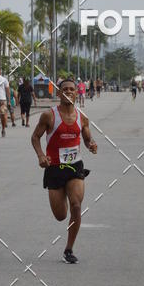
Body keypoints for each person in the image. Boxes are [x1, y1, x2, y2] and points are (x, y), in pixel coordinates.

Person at [31, 78, 98, 263]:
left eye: (72, 89)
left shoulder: (82, 117)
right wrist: (40, 156)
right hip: (54, 168)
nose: (68, 92)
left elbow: (87, 139)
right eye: (65, 89)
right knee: (61, 215)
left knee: (76, 206)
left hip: (75, 166)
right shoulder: (49, 116)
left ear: (77, 93)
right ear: (59, 94)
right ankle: (64, 198)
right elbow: (35, 137)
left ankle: (69, 250)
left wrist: (91, 144)